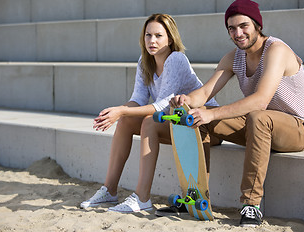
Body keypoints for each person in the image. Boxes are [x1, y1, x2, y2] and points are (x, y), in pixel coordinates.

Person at [168, 0, 304, 227]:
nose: (237, 33)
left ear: (258, 25)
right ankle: (196, 195)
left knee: (254, 117)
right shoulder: (233, 57)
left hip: (298, 127)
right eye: (231, 28)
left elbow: (260, 101)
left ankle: (251, 205)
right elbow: (206, 91)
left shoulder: (276, 50)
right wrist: (187, 100)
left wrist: (213, 113)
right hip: (260, 125)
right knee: (197, 118)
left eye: (243, 26)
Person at [80, 13, 218, 213]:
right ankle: (109, 190)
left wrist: (121, 110)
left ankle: (142, 198)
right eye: (148, 35)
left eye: (158, 36)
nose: (152, 41)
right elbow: (138, 99)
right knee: (127, 121)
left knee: (148, 121)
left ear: (170, 39)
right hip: (178, 123)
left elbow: (162, 105)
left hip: (202, 124)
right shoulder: (144, 61)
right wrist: (118, 112)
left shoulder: (176, 59)